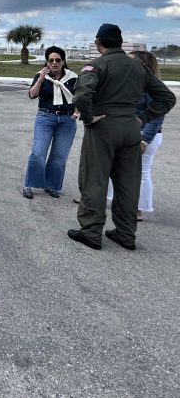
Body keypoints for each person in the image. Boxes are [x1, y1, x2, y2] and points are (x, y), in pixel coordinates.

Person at [68, 24, 175, 251]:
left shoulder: (96, 65)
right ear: (120, 42)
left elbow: (82, 95)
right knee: (128, 183)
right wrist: (144, 118)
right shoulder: (138, 67)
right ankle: (126, 234)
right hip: (131, 128)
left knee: (94, 179)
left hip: (103, 127)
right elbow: (167, 98)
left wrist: (88, 117)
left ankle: (91, 232)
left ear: (98, 42)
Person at [106, 51, 166, 221]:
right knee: (116, 168)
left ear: (143, 65)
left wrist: (144, 140)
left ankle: (138, 209)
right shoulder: (134, 82)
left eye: (131, 61)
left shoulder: (152, 87)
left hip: (145, 134)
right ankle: (111, 199)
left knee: (141, 172)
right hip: (130, 131)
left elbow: (156, 117)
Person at [22, 46, 78, 199]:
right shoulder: (41, 75)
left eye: (58, 60)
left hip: (67, 120)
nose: (54, 63)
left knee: (59, 156)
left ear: (63, 61)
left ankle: (51, 185)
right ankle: (29, 184)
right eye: (51, 60)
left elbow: (79, 96)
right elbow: (32, 95)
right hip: (45, 117)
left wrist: (76, 113)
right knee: (38, 153)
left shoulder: (73, 77)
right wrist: (40, 79)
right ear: (47, 62)